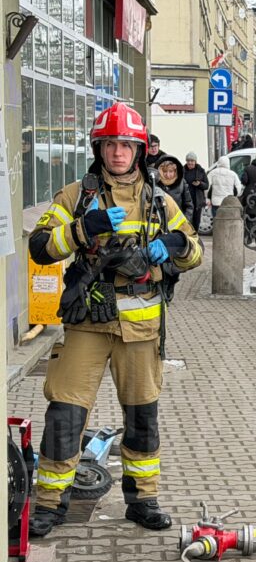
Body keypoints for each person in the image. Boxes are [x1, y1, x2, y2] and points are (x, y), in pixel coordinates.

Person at [26, 102, 203, 537]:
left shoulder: (159, 201)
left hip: (141, 329)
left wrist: (175, 244)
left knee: (143, 416)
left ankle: (143, 500)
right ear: (98, 148)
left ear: (140, 150)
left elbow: (196, 250)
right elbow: (41, 246)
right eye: (110, 144)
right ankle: (49, 504)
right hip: (88, 322)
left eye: (126, 144)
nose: (118, 152)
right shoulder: (77, 196)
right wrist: (84, 229)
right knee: (66, 413)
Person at [183, 152, 210, 232]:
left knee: (196, 220)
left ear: (195, 161)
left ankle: (195, 235)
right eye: (188, 161)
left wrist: (199, 183)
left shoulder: (201, 171)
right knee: (186, 219)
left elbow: (206, 185)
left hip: (197, 200)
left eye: (192, 161)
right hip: (186, 200)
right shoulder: (182, 170)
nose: (190, 163)